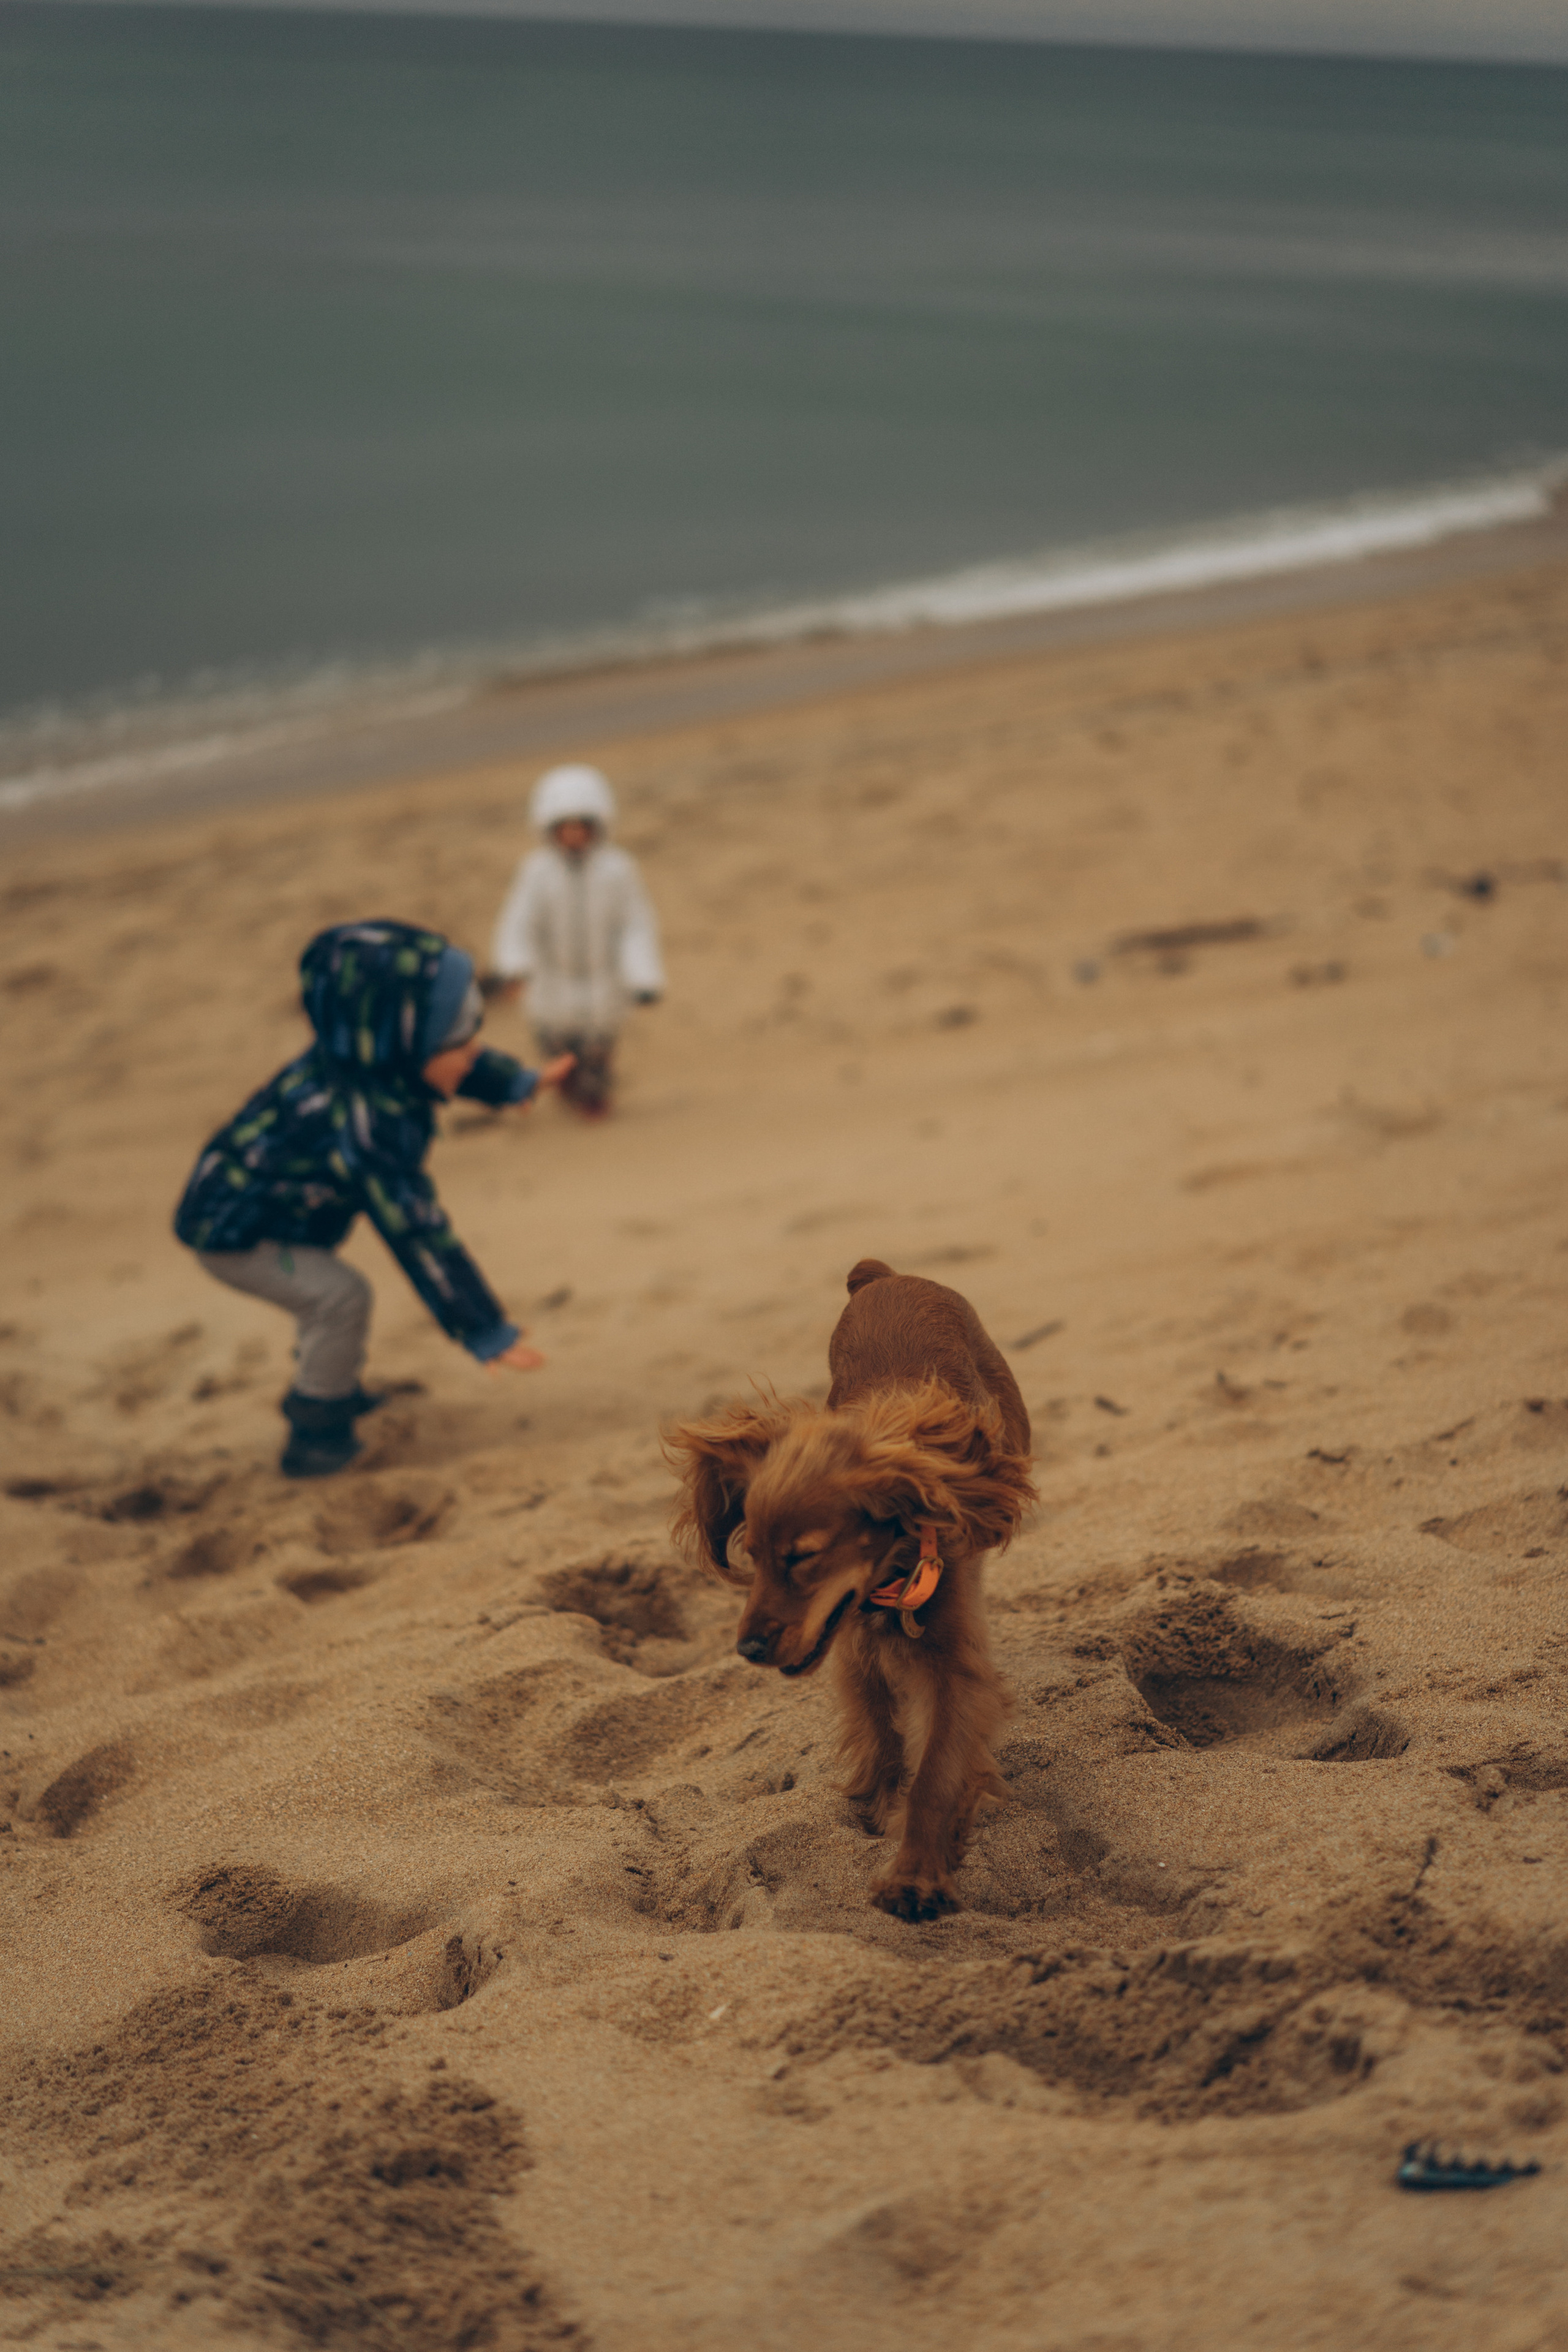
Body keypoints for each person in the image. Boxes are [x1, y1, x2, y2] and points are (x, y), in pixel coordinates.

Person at [173, 919, 573, 1479]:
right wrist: (481, 1326)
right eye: (457, 1035)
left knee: (329, 1301)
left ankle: (332, 1382)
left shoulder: (376, 1058)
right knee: (339, 1298)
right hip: (236, 1234)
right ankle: (317, 1431)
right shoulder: (366, 1126)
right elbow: (416, 1230)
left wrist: (516, 1085)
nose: (473, 1048)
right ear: (398, 1044)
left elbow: (455, 1064)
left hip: (276, 1216)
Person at [488, 764, 664, 1117]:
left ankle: (594, 1096)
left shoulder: (618, 869)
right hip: (552, 983)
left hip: (604, 981)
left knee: (598, 1049)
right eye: (565, 829)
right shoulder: (536, 872)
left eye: (581, 827)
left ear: (598, 826)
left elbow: (634, 926)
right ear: (549, 830)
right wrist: (515, 966)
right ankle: (568, 1085)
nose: (574, 836)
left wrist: (644, 977)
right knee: (558, 1048)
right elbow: (519, 923)